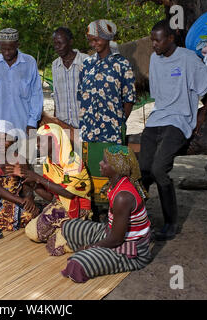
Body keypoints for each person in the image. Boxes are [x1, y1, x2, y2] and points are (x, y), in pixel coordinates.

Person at [139, 20, 207, 241]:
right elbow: (158, 95)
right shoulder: (155, 59)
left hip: (178, 121)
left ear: (171, 39)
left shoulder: (187, 58)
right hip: (157, 119)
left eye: (158, 40)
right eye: (152, 40)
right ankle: (138, 220)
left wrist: (202, 113)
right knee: (142, 170)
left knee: (159, 170)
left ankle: (170, 223)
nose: (153, 44)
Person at [60, 145, 152, 283]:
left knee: (77, 264)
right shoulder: (117, 184)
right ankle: (95, 250)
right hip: (112, 233)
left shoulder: (123, 197)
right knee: (69, 226)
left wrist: (87, 247)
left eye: (105, 162)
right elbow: (113, 230)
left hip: (131, 250)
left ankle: (96, 254)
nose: (100, 163)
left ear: (117, 167)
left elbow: (116, 240)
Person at [5, 123, 92, 256]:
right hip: (60, 206)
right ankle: (65, 230)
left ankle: (81, 232)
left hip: (78, 208)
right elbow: (50, 197)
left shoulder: (73, 161)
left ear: (56, 140)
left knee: (55, 245)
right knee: (32, 232)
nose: (38, 144)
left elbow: (68, 193)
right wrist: (33, 183)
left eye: (41, 141)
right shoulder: (48, 163)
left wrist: (39, 178)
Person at [78, 19, 137, 205]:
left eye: (97, 40)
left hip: (112, 131)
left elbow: (129, 98)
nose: (93, 44)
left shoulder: (122, 64)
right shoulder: (86, 64)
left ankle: (112, 209)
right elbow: (81, 94)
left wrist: (119, 123)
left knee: (112, 170)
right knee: (91, 169)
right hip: (89, 130)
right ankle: (93, 209)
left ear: (107, 38)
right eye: (90, 40)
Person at [0, 120, 40, 231]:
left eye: (6, 139)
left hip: (18, 200)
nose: (1, 143)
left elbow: (27, 184)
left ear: (13, 141)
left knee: (32, 212)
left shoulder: (20, 159)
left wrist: (29, 198)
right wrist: (23, 202)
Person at [0, 28, 43, 135]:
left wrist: (32, 122)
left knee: (26, 152)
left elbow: (36, 94)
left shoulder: (29, 63)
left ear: (17, 45)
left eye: (10, 49)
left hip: (24, 126)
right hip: (0, 129)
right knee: (2, 152)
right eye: (3, 49)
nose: (6, 53)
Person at [51, 27, 89, 129]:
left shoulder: (86, 61)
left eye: (60, 43)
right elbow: (56, 96)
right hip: (63, 127)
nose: (57, 47)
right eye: (55, 43)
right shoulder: (55, 65)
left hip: (84, 126)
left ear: (70, 42)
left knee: (83, 146)